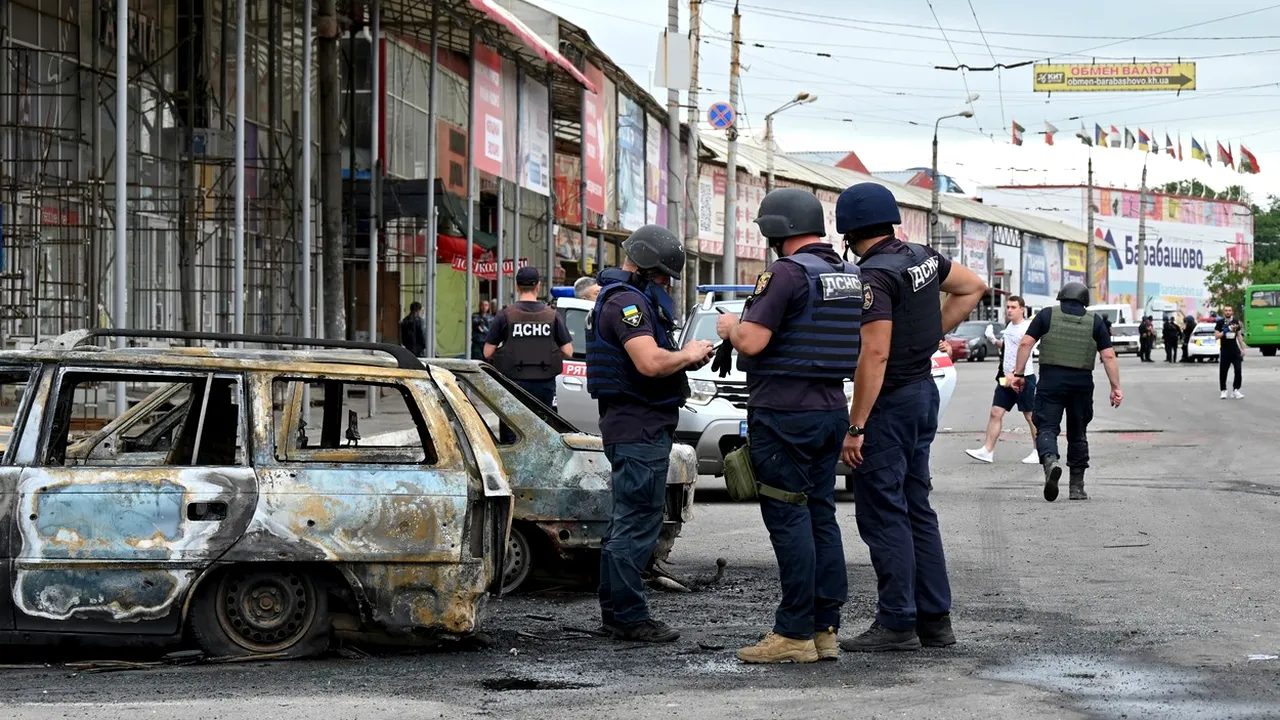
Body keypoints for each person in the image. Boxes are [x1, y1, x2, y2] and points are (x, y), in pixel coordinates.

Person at [836, 183, 987, 653]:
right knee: (916, 505)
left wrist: (856, 426)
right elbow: (972, 287)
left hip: (893, 399)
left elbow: (874, 355)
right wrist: (927, 335)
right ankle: (935, 621)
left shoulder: (874, 276)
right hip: (924, 392)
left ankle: (897, 621)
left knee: (883, 511)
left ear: (847, 230)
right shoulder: (920, 256)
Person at [715, 188, 860, 664]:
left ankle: (793, 633)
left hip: (784, 412)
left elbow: (753, 341)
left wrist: (729, 329)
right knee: (821, 515)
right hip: (829, 410)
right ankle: (824, 630)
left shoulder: (784, 273)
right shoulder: (846, 274)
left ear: (777, 230)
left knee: (788, 515)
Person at [586, 224, 715, 644]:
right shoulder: (626, 303)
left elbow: (656, 362)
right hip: (638, 426)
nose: (665, 284)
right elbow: (648, 363)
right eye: (661, 276)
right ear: (643, 265)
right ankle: (628, 617)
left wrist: (684, 361)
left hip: (635, 424)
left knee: (628, 520)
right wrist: (689, 353)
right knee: (637, 522)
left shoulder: (622, 298)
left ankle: (617, 612)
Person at [1010, 281, 1123, 503]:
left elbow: (1025, 344)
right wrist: (1115, 387)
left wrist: (1019, 374)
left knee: (1046, 427)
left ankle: (1050, 462)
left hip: (1051, 380)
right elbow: (1108, 356)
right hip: (1081, 384)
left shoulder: (1046, 315)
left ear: (1061, 297)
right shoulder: (1095, 322)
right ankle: (1077, 487)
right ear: (1084, 301)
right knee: (1078, 432)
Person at [483, 267, 574, 407]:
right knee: (541, 425)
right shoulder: (551, 315)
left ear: (517, 287)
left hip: (512, 382)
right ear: (538, 286)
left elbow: (488, 352)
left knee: (512, 426)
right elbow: (568, 351)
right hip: (544, 383)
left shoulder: (505, 314)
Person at [965, 296, 1038, 465]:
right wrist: (992, 339)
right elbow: (1007, 348)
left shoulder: (1027, 328)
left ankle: (1039, 450)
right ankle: (987, 450)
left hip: (1023, 378)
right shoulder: (1010, 327)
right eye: (1008, 307)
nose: (1009, 310)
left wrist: (1016, 373)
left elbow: (1025, 351)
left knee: (1030, 415)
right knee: (996, 412)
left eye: (1013, 307)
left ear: (1022, 309)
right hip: (1006, 378)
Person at [1216, 306, 1244, 399]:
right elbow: (1216, 336)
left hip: (1235, 351)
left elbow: (1239, 336)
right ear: (1224, 312)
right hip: (1225, 350)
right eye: (1226, 311)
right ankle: (1223, 390)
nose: (1228, 312)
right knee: (1223, 371)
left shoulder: (1236, 322)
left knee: (1238, 370)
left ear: (1232, 312)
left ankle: (1236, 390)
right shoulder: (1220, 323)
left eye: (1229, 310)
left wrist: (1242, 349)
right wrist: (1227, 330)